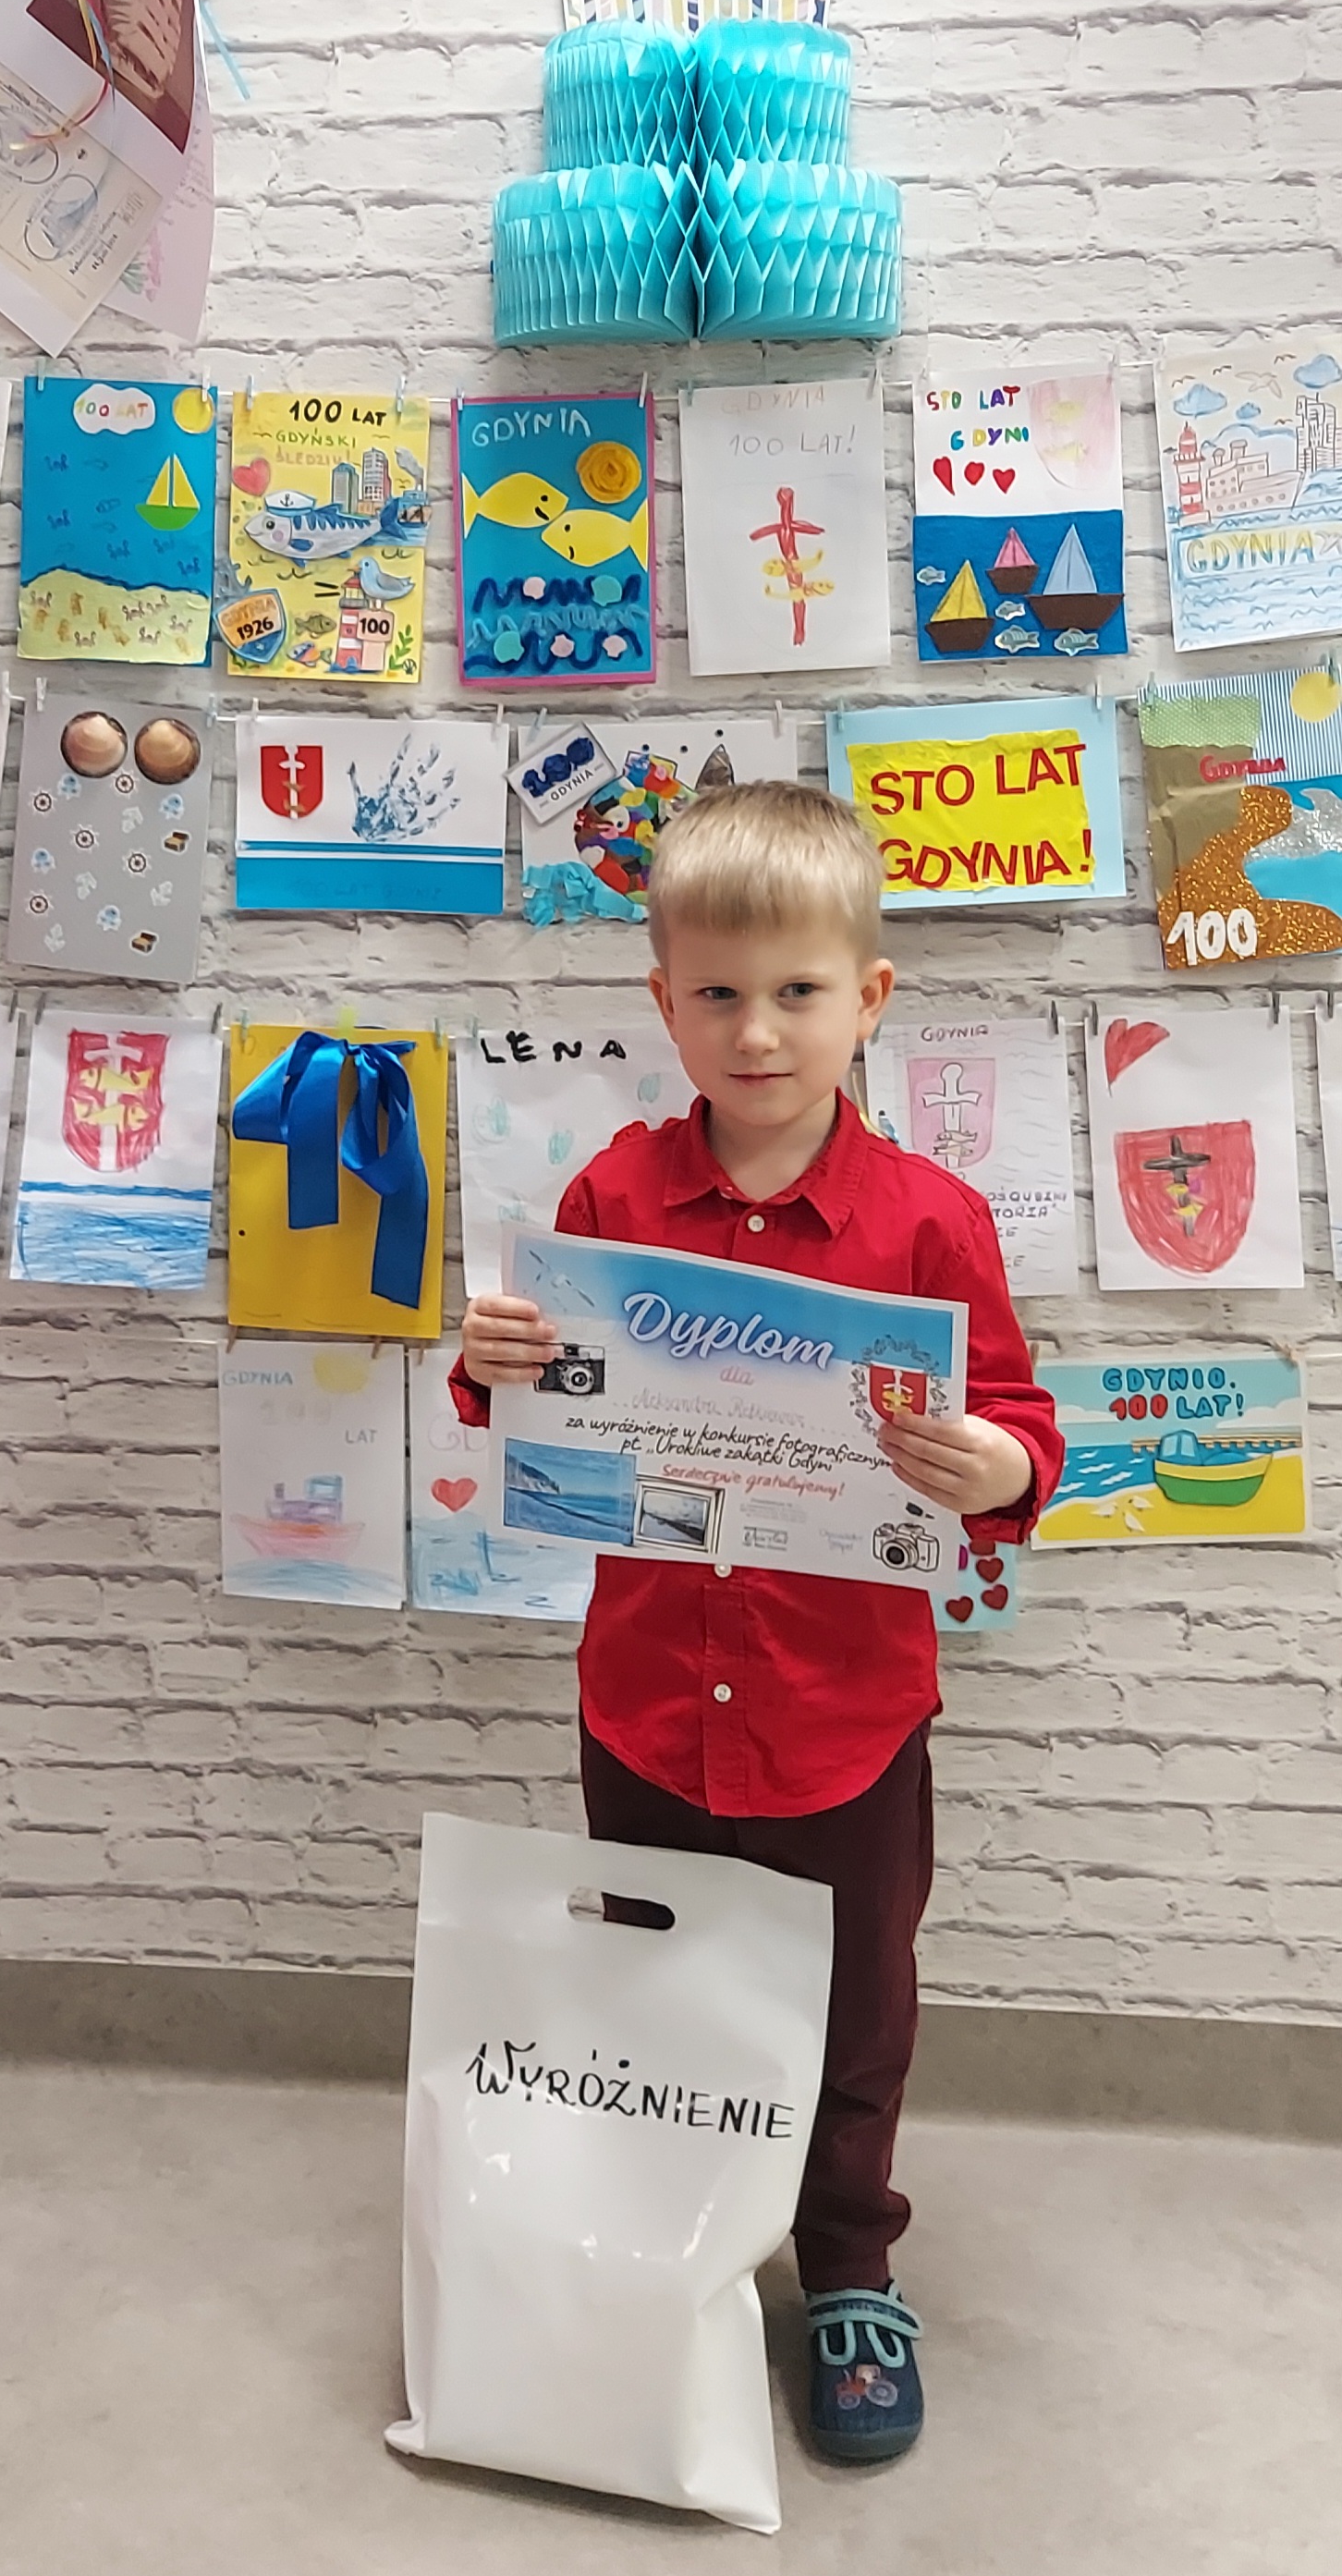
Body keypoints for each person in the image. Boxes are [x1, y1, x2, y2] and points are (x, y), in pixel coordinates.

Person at [453, 782, 1062, 2472]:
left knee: (853, 2008)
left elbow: (1022, 1424)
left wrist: (998, 1460)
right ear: (663, 1002)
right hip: (647, 1701)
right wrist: (493, 1367)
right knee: (652, 1987)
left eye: (796, 990)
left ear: (868, 997)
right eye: (716, 992)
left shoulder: (926, 1217)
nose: (756, 1030)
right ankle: (669, 2247)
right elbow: (543, 1405)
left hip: (842, 1715)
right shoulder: (610, 1192)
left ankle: (848, 2268)